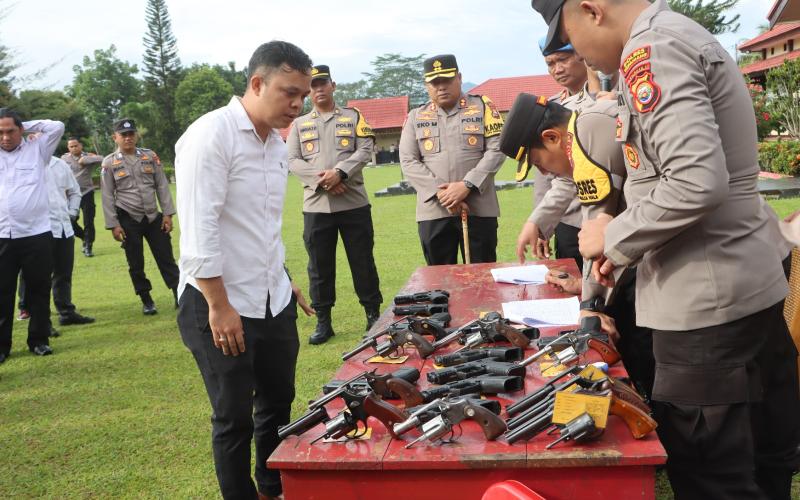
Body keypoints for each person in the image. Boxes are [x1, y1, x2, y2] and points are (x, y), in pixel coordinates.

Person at [532, 0, 800, 497]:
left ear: (590, 10)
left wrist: (610, 236)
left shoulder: (651, 50)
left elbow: (695, 180)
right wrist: (626, 240)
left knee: (712, 476)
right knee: (766, 461)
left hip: (704, 303)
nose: (581, 56)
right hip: (741, 281)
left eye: (569, 37)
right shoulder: (674, 35)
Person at [175, 40, 315, 500]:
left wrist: (283, 278)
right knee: (232, 415)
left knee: (277, 401)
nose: (297, 105)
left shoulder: (275, 142)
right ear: (257, 83)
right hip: (219, 300)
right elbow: (200, 231)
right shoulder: (210, 135)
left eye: (303, 96)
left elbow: (261, 225)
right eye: (288, 92)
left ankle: (273, 486)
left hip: (271, 295)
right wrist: (219, 306)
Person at [500, 93, 654, 399]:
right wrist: (586, 292)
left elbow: (596, 229)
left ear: (552, 137)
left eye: (538, 162)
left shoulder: (589, 132)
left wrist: (590, 304)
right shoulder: (584, 130)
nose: (545, 173)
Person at [287, 65, 383, 344]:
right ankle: (323, 322)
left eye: (322, 83)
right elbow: (292, 160)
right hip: (317, 206)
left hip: (353, 203)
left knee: (362, 261)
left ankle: (373, 316)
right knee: (319, 266)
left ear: (333, 85)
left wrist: (340, 172)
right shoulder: (299, 124)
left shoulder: (354, 118)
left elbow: (365, 149)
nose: (318, 89)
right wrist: (324, 180)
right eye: (313, 85)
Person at [399, 54, 506, 265]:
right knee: (438, 280)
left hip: (478, 207)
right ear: (426, 85)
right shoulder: (415, 116)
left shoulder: (482, 107)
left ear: (459, 77)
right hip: (434, 211)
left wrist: (467, 185)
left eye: (446, 80)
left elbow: (497, 149)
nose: (441, 87)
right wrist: (442, 194)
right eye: (434, 82)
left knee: (481, 277)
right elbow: (408, 160)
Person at [0, 109, 64, 362]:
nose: (5, 137)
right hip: (3, 235)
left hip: (36, 234)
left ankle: (38, 340)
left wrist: (23, 124)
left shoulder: (37, 150)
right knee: (2, 292)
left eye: (10, 131)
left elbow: (57, 125)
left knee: (39, 289)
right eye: (0, 132)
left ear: (21, 130)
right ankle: (2, 346)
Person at [520, 39, 587, 269]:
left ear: (582, 54)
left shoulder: (613, 97)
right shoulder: (549, 109)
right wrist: (541, 223)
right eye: (550, 63)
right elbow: (545, 178)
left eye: (563, 59)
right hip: (568, 215)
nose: (557, 69)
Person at [100, 119, 179, 315]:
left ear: (136, 136)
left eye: (131, 134)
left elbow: (161, 185)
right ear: (115, 137)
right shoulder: (109, 162)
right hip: (128, 218)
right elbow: (107, 194)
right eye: (123, 135)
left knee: (166, 257)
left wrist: (167, 214)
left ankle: (179, 293)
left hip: (153, 217)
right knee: (135, 262)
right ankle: (146, 299)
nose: (128, 138)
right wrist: (113, 225)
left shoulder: (149, 156)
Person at [17, 156, 95, 329]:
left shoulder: (60, 164)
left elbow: (74, 191)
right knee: (37, 277)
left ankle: (66, 312)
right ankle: (41, 320)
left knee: (63, 273)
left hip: (63, 227)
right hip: (37, 229)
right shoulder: (24, 162)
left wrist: (73, 212)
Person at [62, 137, 103, 257]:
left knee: (88, 222)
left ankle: (88, 246)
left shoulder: (87, 156)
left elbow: (102, 159)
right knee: (70, 221)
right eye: (71, 146)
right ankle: (84, 237)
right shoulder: (64, 158)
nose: (74, 148)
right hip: (70, 195)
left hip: (87, 193)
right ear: (68, 148)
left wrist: (86, 159)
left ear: (80, 146)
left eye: (76, 145)